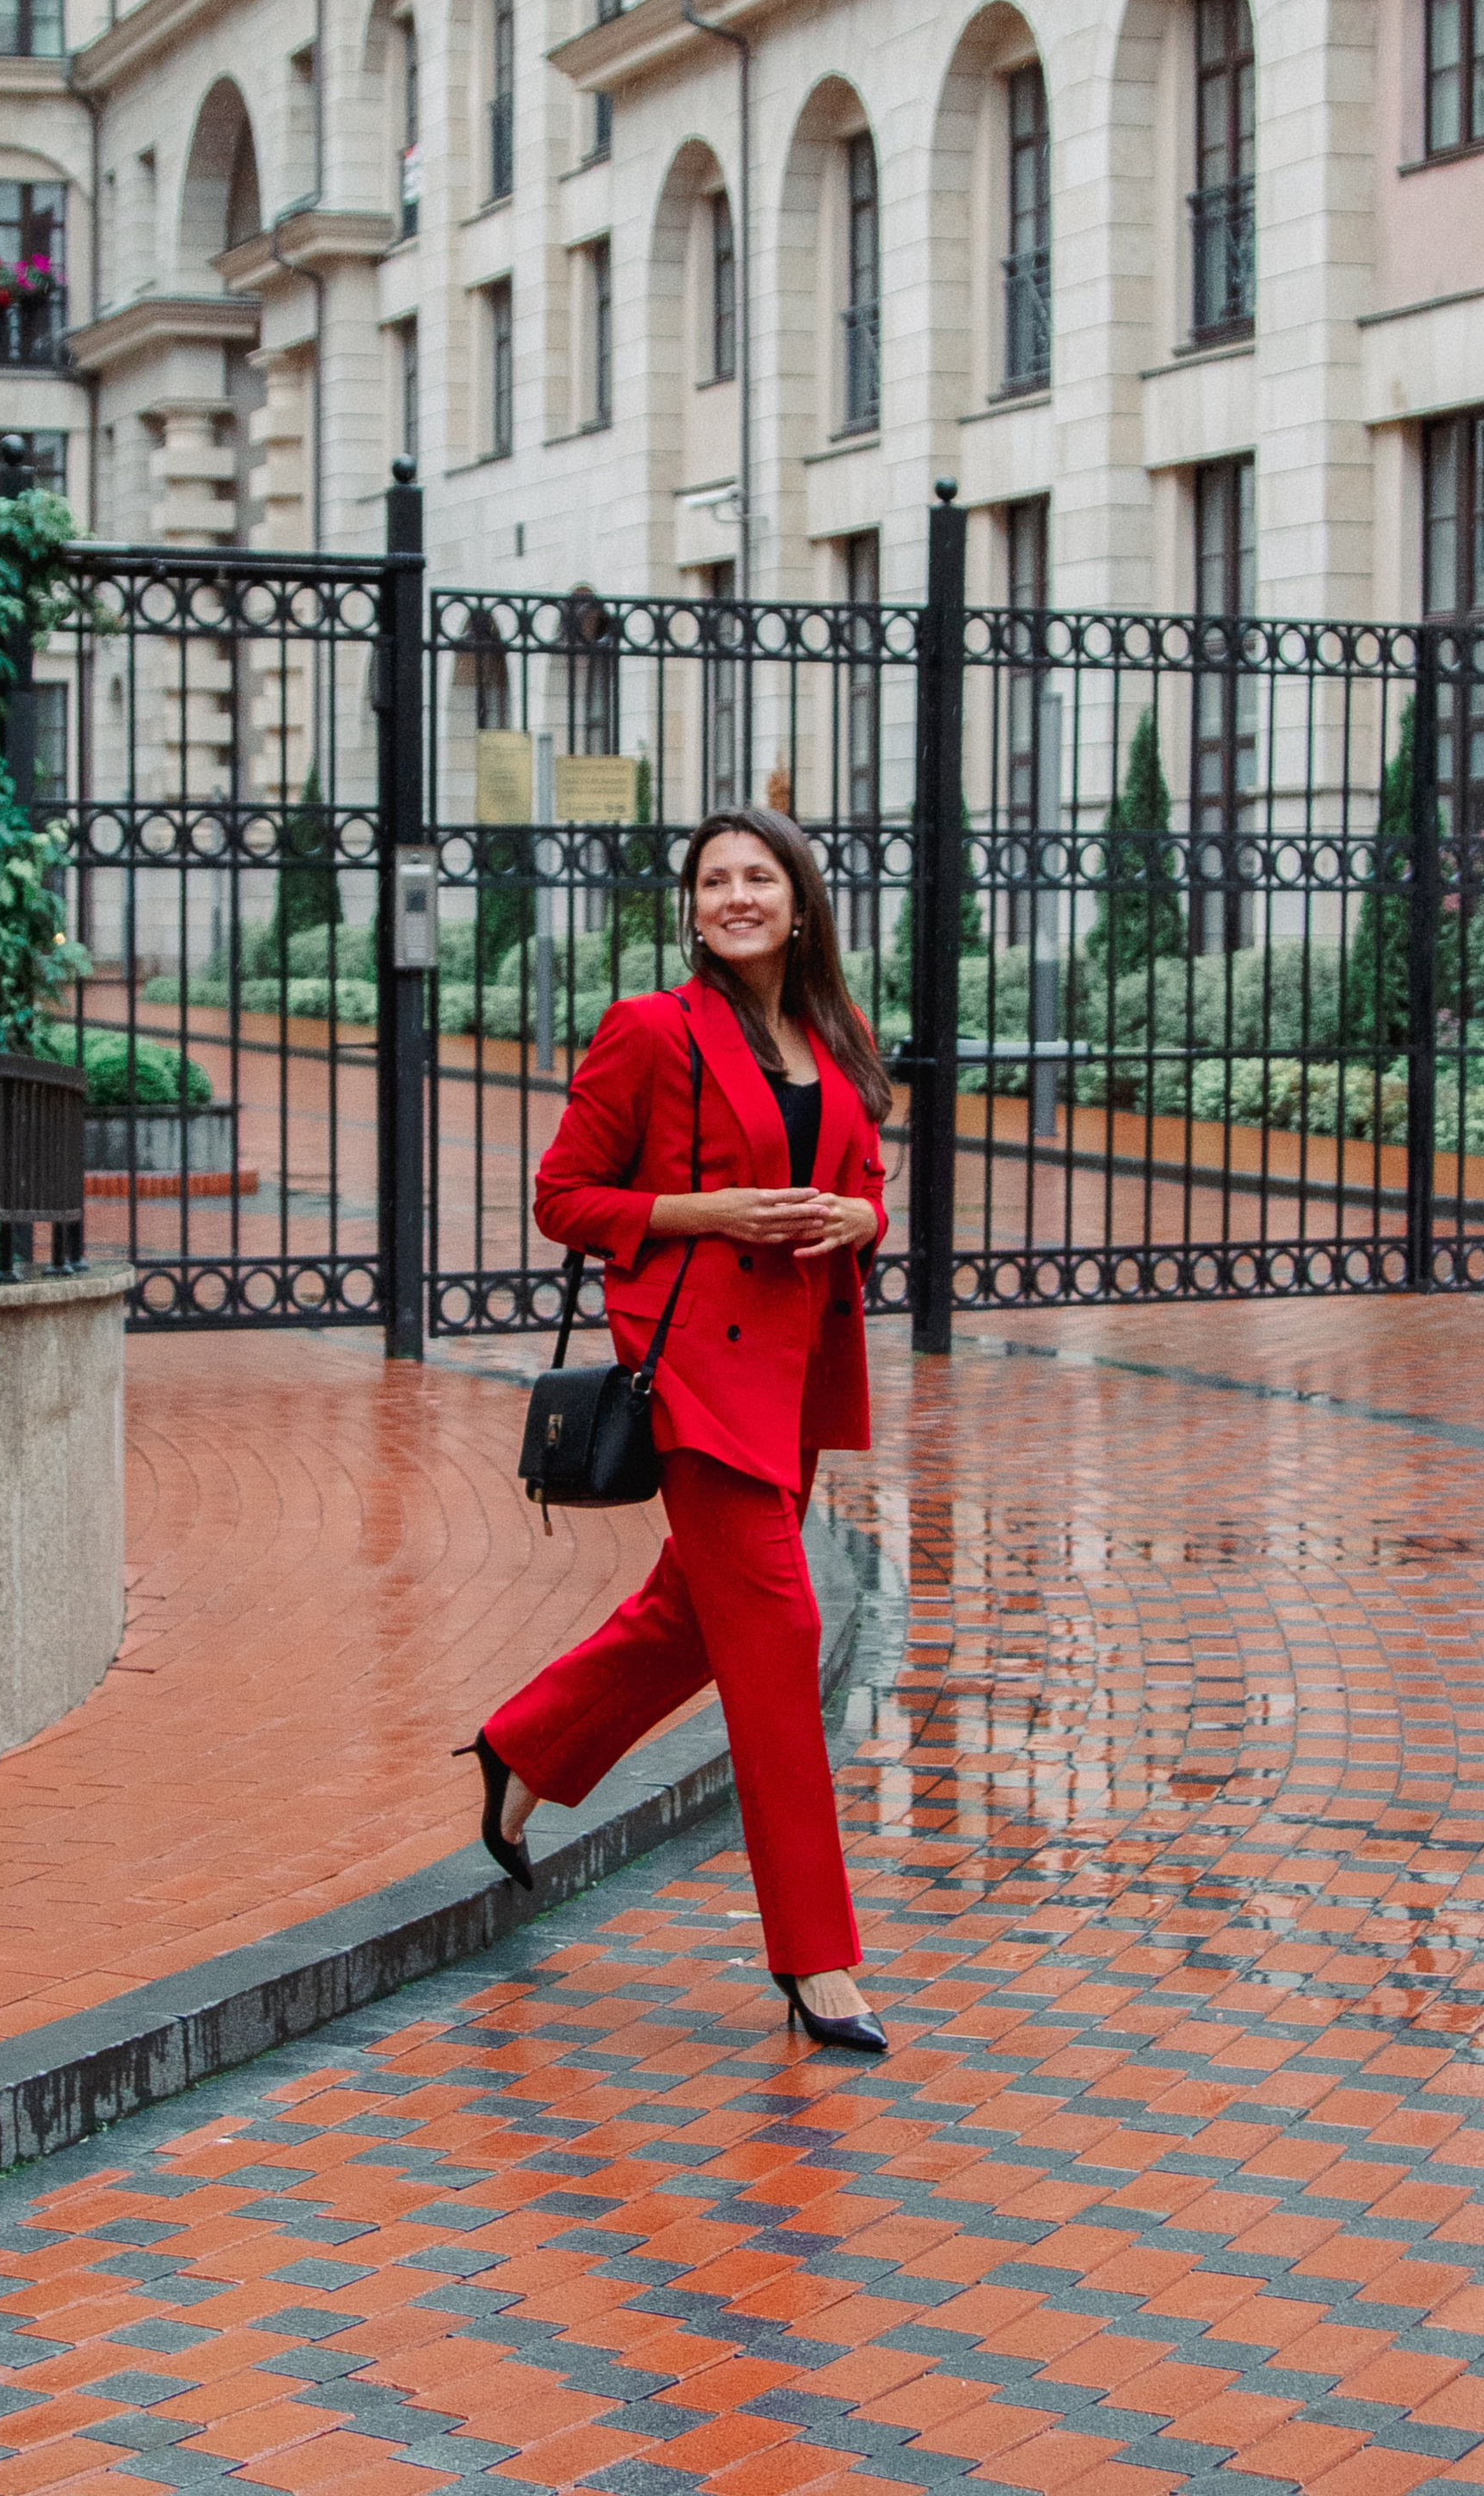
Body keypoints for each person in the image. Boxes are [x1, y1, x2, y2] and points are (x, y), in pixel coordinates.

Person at [461, 807, 891, 2052]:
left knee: (693, 1614)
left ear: (799, 902)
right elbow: (564, 1200)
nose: (736, 896)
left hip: (797, 1374)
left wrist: (863, 1224)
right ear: (692, 907)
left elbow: (865, 1184)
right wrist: (709, 1212)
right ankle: (818, 1963)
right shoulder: (652, 1031)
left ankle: (521, 1747)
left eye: (759, 876)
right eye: (715, 880)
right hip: (697, 1373)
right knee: (781, 1632)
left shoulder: (837, 1035)